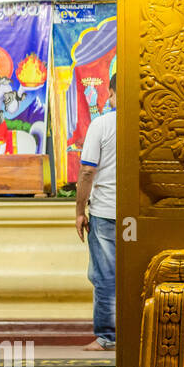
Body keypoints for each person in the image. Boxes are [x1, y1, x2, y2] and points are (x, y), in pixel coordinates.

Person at [76, 73, 117, 351]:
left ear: (113, 92)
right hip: (140, 214)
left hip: (105, 212)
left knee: (105, 276)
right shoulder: (150, 124)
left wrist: (80, 210)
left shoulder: (102, 124)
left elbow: (88, 170)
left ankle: (107, 337)